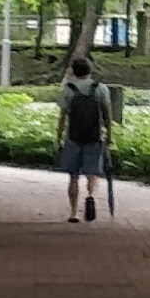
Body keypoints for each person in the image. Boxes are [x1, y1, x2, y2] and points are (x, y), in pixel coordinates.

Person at [54, 53, 119, 223]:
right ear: (90, 70)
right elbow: (107, 115)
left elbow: (62, 117)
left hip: (73, 137)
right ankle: (91, 196)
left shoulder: (68, 90)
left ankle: (73, 212)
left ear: (73, 71)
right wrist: (109, 136)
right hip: (94, 137)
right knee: (92, 173)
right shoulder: (100, 89)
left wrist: (59, 137)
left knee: (73, 176)